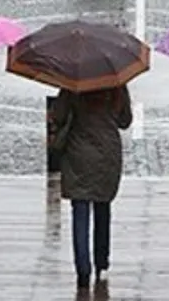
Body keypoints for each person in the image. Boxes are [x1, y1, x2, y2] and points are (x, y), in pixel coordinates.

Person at [50, 85, 133, 288]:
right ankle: (101, 261)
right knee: (103, 204)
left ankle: (83, 268)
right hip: (108, 153)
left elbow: (58, 116)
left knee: (80, 210)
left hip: (79, 152)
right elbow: (125, 121)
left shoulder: (73, 83)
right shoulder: (117, 84)